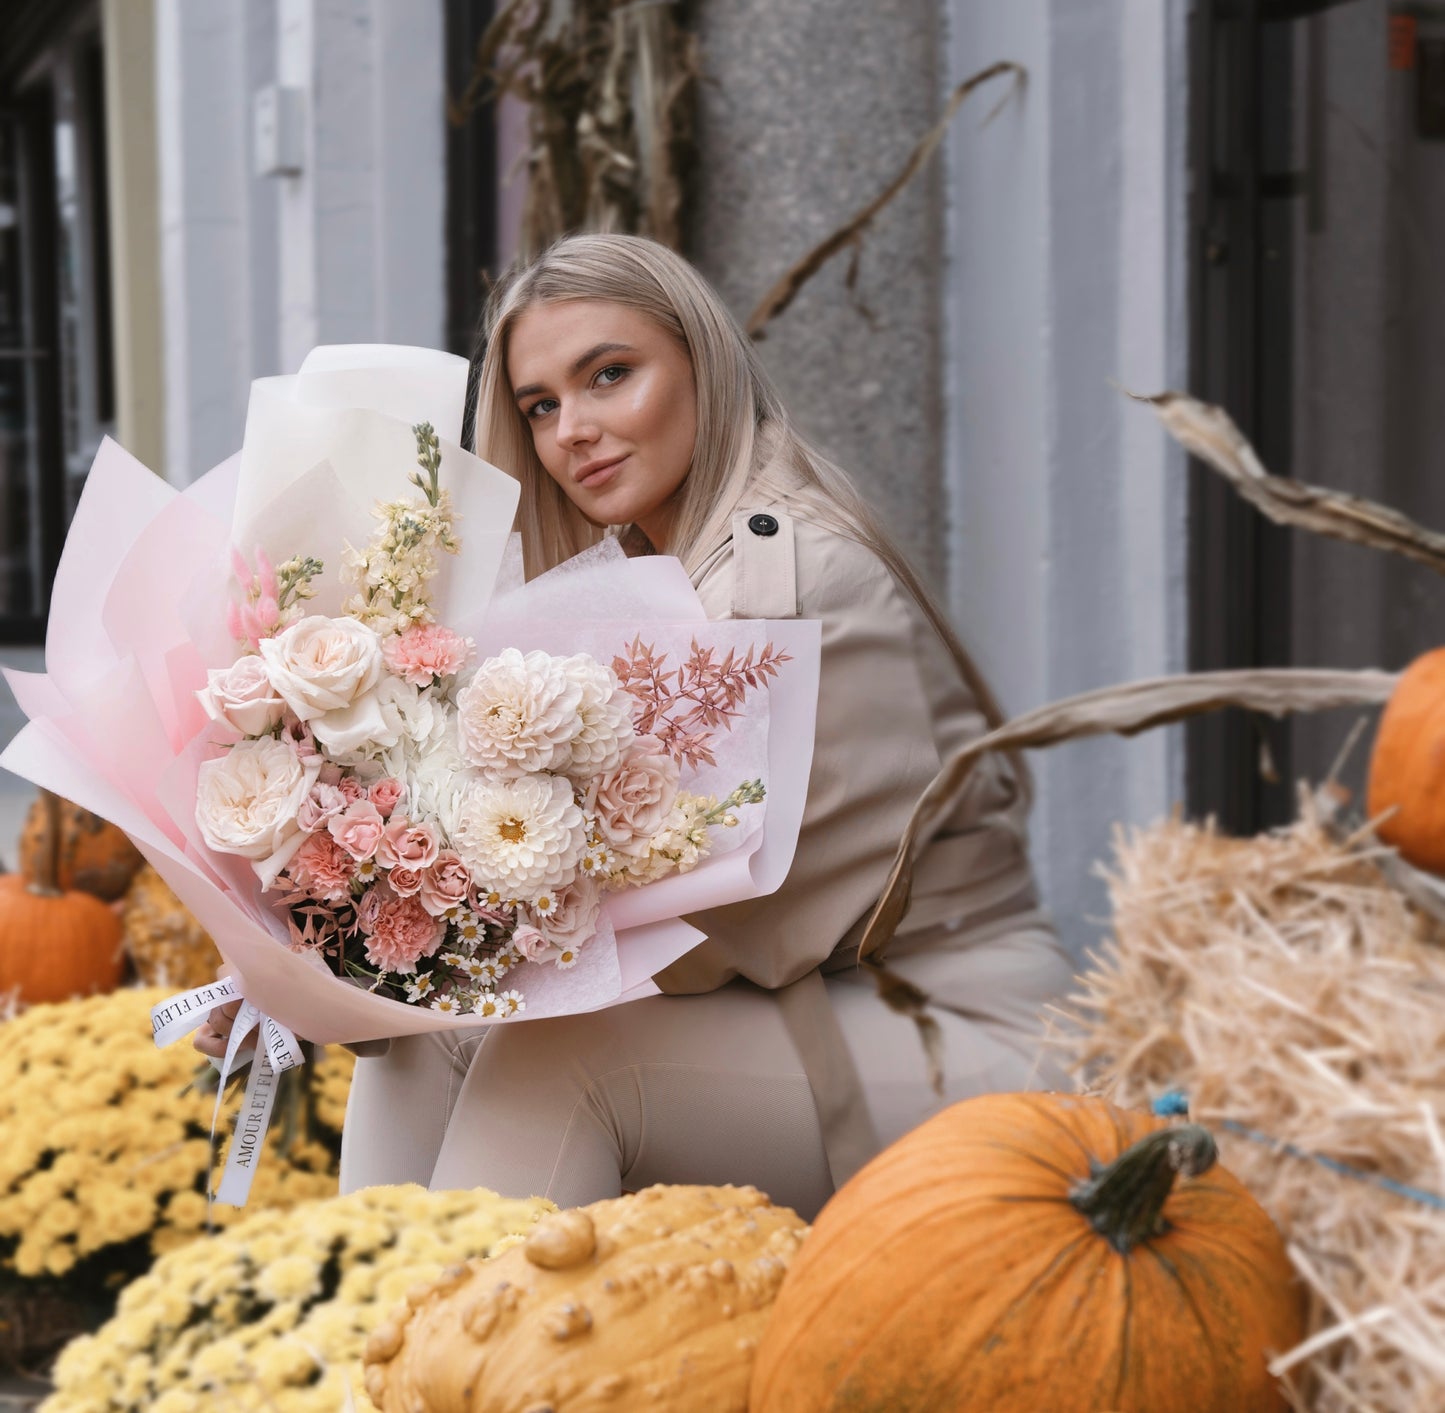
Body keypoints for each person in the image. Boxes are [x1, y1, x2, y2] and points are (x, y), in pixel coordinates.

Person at [199, 233, 1075, 1220]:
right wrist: (330, 945)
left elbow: (713, 927)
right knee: (432, 1037)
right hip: (830, 1000)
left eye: (608, 375)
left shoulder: (783, 577)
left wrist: (361, 955)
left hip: (966, 1024)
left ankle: (455, 1361)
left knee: (557, 1063)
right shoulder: (671, 570)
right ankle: (364, 1338)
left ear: (700, 361)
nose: (572, 428)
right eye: (540, 405)